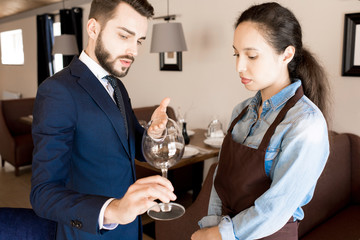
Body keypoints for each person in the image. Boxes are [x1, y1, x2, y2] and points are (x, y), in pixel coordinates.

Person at [30, 1, 176, 240]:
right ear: (93, 28)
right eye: (124, 36)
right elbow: (43, 194)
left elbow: (132, 147)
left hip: (130, 228)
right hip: (89, 232)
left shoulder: (117, 86)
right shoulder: (57, 90)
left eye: (138, 40)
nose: (134, 51)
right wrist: (114, 211)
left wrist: (154, 133)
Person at [191, 2, 331, 240]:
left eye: (252, 55)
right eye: (236, 53)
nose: (239, 66)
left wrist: (217, 235)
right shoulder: (241, 111)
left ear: (286, 54)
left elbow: (275, 208)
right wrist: (212, 225)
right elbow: (220, 179)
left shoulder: (306, 124)